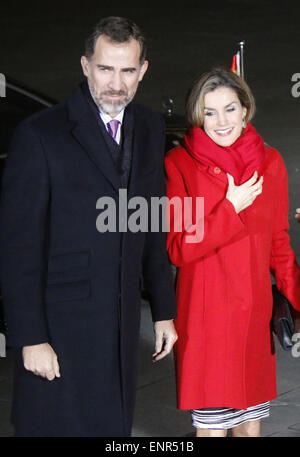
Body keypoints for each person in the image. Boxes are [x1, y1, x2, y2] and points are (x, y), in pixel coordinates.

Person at [0, 16, 177, 437]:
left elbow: (150, 221)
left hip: (118, 328)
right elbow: (17, 247)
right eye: (105, 68)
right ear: (85, 65)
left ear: (143, 71)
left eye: (128, 70)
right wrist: (30, 338)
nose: (116, 84)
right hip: (59, 330)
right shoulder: (39, 135)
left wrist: (164, 312)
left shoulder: (150, 127)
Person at [165, 68, 300, 437]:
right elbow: (180, 249)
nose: (221, 121)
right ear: (197, 116)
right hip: (207, 321)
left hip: (254, 317)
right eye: (209, 112)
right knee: (212, 431)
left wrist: (296, 299)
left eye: (229, 109)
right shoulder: (180, 166)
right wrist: (230, 207)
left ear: (245, 110)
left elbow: (279, 242)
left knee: (250, 428)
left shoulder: (270, 163)